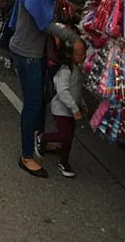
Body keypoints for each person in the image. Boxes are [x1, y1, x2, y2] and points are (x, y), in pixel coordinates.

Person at [8, 0, 94, 178]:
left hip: (37, 50)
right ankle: (26, 156)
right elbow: (44, 24)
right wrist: (73, 39)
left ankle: (38, 141)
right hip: (27, 52)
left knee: (40, 100)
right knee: (33, 103)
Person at [40, 39, 87, 178]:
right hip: (60, 109)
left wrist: (82, 104)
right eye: (79, 54)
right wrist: (74, 108)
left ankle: (64, 161)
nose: (83, 57)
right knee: (65, 134)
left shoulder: (77, 69)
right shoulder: (65, 71)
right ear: (69, 54)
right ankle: (42, 137)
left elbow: (77, 90)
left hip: (71, 110)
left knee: (69, 137)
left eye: (84, 54)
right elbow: (63, 92)